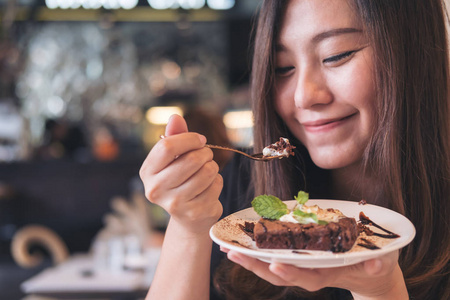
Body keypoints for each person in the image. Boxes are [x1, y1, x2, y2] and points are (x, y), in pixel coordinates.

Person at [139, 0, 450, 299]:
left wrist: (380, 291)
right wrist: (188, 226)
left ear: (414, 52)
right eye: (283, 68)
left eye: (335, 55)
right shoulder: (237, 187)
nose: (303, 97)